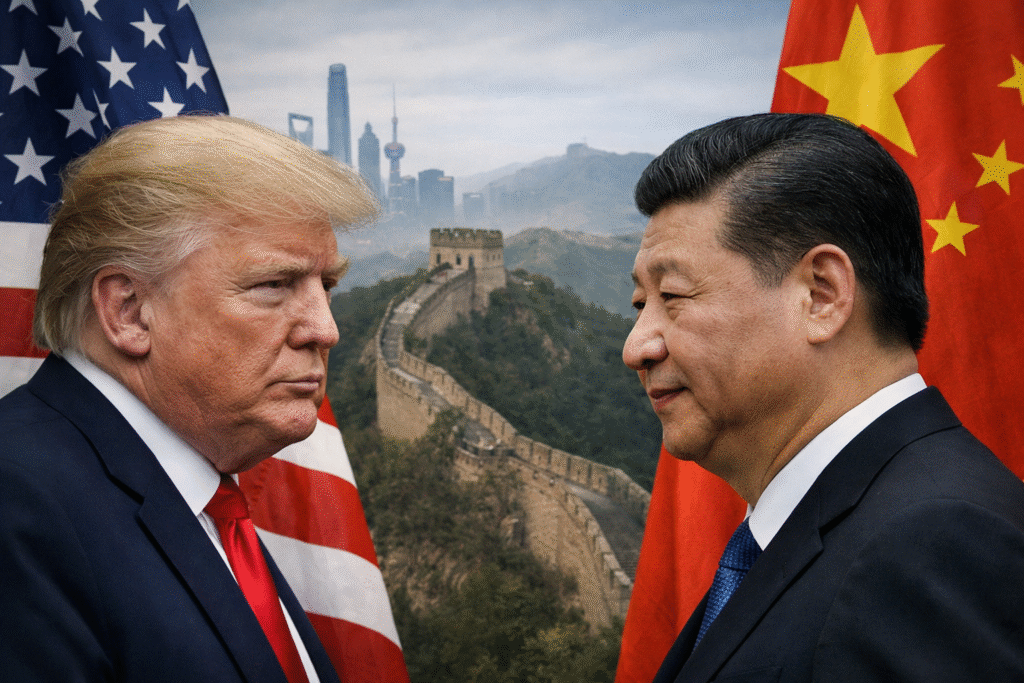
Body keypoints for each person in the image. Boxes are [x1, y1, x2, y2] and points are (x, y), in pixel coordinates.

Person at [623, 113, 1024, 682]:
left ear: (821, 296)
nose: (636, 347)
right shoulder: (818, 530)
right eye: (642, 305)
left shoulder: (929, 547)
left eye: (673, 294)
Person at [0, 115, 378, 682]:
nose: (324, 329)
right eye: (273, 285)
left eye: (324, 287)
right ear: (129, 312)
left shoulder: (198, 496)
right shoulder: (17, 506)